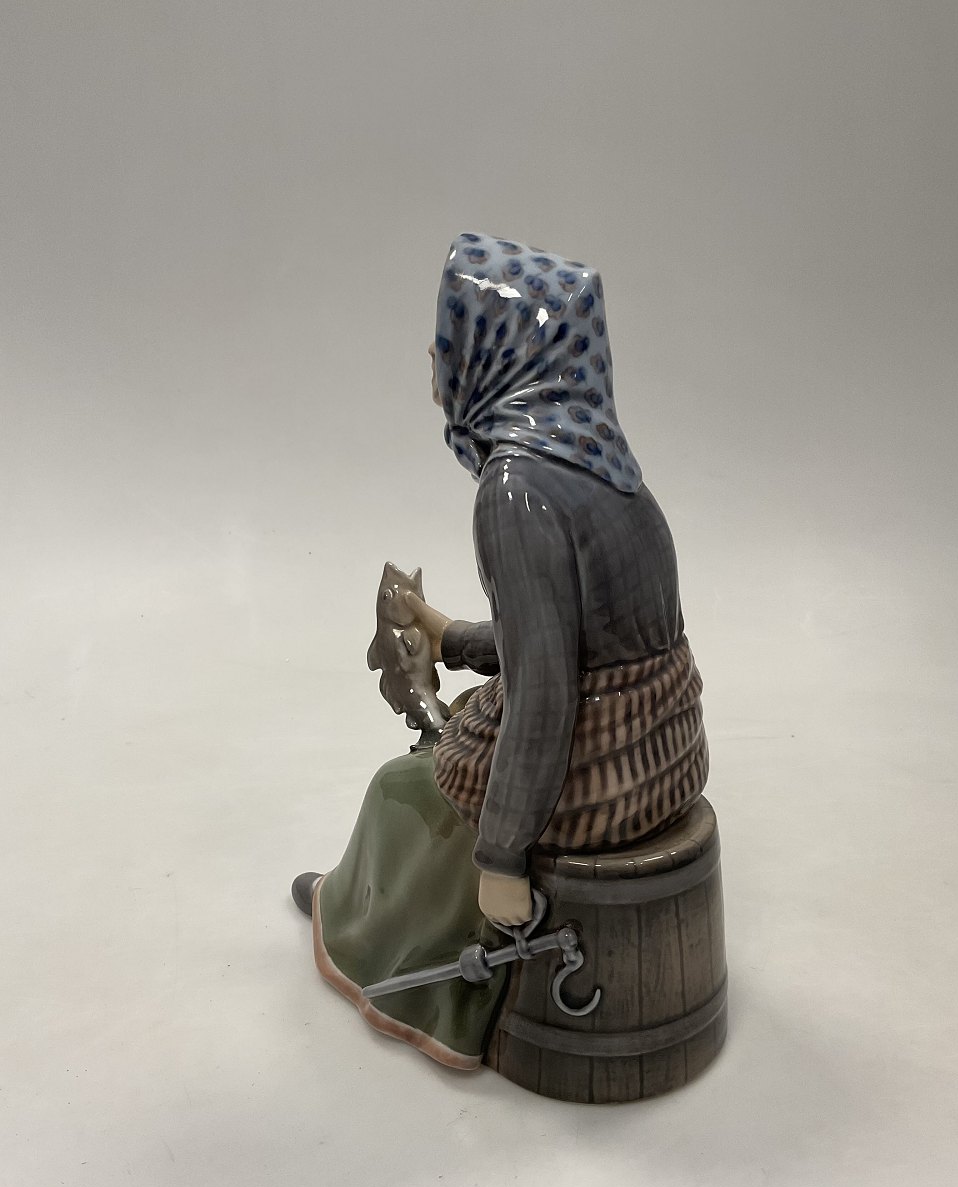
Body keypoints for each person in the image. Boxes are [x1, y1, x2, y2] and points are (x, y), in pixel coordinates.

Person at [291, 231, 709, 1070]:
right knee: (456, 736)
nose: (436, 358)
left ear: (495, 355)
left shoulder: (514, 490)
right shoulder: (603, 464)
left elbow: (546, 697)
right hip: (665, 741)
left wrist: (503, 857)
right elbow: (573, 643)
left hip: (605, 760)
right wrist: (449, 636)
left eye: (451, 337)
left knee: (404, 788)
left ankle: (397, 962)